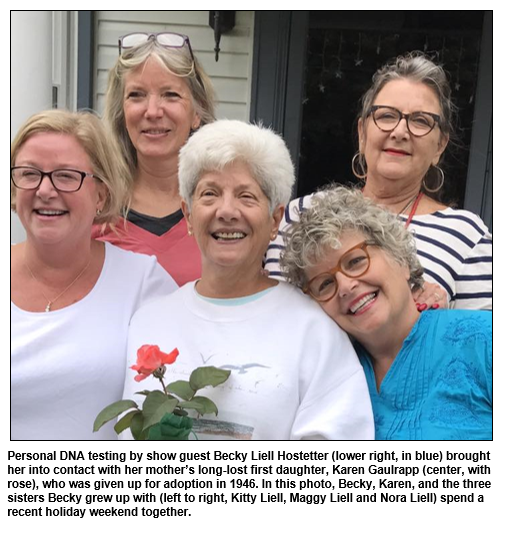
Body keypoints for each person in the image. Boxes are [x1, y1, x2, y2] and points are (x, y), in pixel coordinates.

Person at [123, 120, 374, 440]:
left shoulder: (313, 330)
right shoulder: (148, 320)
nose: (227, 211)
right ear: (188, 214)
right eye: (210, 193)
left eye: (246, 196)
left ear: (274, 220)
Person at [266, 52, 492, 310]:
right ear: (362, 132)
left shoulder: (466, 235)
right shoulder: (300, 214)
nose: (400, 132)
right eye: (386, 116)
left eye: (421, 121)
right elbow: (272, 313)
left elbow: (483, 342)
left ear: (440, 146)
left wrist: (441, 314)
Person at [11, 110, 178, 440]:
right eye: (29, 174)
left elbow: (169, 403)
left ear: (101, 195)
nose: (45, 190)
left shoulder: (143, 284)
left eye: (66, 176)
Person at [281, 186, 492, 440]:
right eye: (325, 284)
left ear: (400, 259)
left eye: (356, 261)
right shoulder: (326, 373)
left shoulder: (485, 339)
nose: (346, 286)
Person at [93, 32, 216, 286]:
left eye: (170, 94)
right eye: (136, 95)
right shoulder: (95, 206)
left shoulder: (224, 208)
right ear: (121, 113)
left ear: (196, 113)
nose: (152, 111)